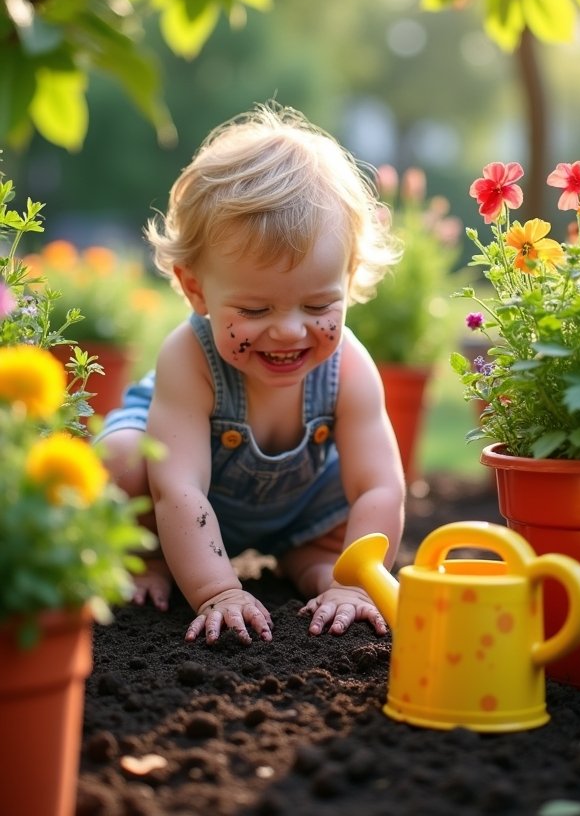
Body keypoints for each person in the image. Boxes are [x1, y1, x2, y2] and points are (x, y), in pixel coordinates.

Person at [98, 103, 406, 646]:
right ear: (196, 290)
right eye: (257, 311)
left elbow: (379, 484)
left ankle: (319, 568)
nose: (289, 331)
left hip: (294, 503)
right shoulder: (187, 358)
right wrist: (218, 591)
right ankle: (152, 559)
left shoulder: (350, 364)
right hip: (184, 495)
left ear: (349, 275)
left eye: (317, 307)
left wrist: (357, 587)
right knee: (125, 462)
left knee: (348, 506)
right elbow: (179, 490)